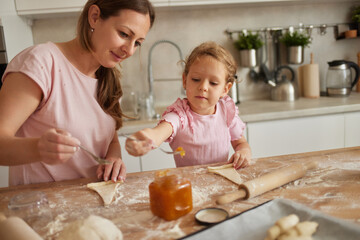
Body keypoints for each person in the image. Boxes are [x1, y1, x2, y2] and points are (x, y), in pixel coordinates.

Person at [0, 0, 155, 186]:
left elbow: (111, 141)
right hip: (38, 207)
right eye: (124, 34)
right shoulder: (40, 62)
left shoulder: (109, 80)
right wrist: (38, 149)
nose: (129, 50)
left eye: (137, 43)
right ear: (94, 17)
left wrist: (114, 159)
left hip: (91, 204)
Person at [125, 41, 252, 169]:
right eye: (196, 79)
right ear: (185, 81)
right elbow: (160, 132)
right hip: (188, 185)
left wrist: (243, 152)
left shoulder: (226, 112)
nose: (203, 87)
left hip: (222, 181)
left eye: (213, 83)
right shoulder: (179, 115)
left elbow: (241, 143)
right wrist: (149, 138)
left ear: (225, 89)